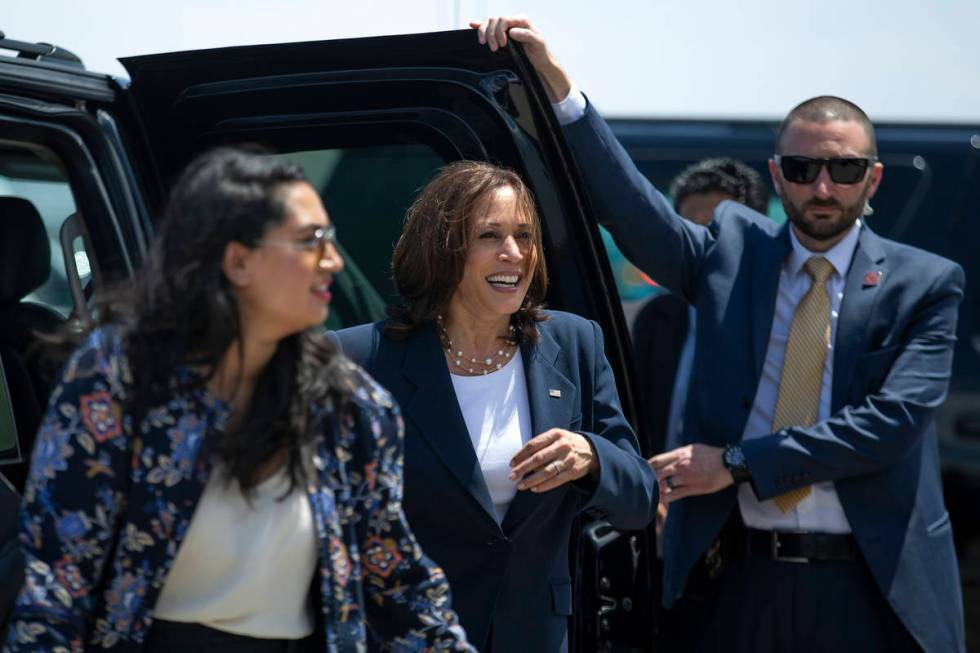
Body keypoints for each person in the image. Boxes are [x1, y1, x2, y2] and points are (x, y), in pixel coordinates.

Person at [471, 16, 966, 653]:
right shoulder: (733, 254)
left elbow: (890, 424)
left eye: (843, 170)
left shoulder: (923, 282)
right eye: (803, 166)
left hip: (870, 583)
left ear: (872, 178)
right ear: (777, 173)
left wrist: (733, 464)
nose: (822, 186)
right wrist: (562, 94)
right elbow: (632, 208)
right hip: (741, 578)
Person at [4, 148, 474, 653]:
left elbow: (396, 580)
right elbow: (60, 578)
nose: (333, 261)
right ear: (237, 260)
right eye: (311, 241)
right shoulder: (119, 378)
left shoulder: (351, 404)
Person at [333, 160, 658, 653]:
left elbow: (639, 501)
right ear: (443, 248)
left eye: (525, 236)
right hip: (410, 638)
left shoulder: (573, 343)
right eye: (490, 235)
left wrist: (591, 457)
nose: (515, 254)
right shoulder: (360, 357)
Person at [633, 158, 770, 458]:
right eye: (687, 230)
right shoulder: (657, 318)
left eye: (714, 231)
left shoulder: (779, 318)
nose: (701, 244)